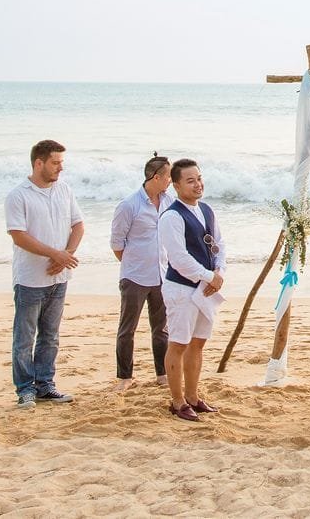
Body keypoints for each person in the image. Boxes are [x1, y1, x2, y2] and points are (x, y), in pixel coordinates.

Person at [5, 138, 82, 408]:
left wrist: (66, 255)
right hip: (30, 278)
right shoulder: (18, 195)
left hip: (59, 277)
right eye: (55, 163)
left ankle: (45, 385)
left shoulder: (65, 190)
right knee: (24, 338)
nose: (61, 168)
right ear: (39, 163)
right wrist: (54, 254)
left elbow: (78, 225)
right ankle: (25, 389)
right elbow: (18, 235)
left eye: (61, 162)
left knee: (51, 336)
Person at [157, 159, 223, 421]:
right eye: (190, 180)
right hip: (181, 289)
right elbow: (178, 258)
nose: (198, 184)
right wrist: (208, 276)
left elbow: (219, 245)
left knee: (198, 343)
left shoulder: (207, 210)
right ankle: (177, 401)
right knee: (179, 343)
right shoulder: (171, 216)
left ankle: (193, 397)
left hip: (205, 288)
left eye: (199, 178)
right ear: (176, 185)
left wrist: (219, 272)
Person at [111, 155, 174, 392]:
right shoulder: (129, 205)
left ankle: (163, 373)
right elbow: (117, 243)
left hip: (162, 274)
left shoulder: (169, 202)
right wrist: (134, 263)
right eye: (168, 176)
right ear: (156, 177)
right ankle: (124, 376)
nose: (170, 180)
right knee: (128, 328)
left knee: (161, 328)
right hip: (134, 276)